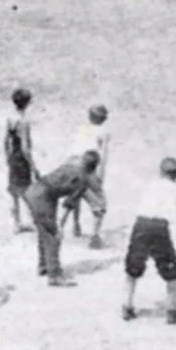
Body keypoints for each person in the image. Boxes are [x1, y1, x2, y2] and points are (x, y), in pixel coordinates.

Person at [121, 158, 176, 325]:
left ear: (160, 172)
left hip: (141, 224)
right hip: (160, 227)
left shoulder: (150, 186)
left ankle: (127, 306)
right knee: (171, 271)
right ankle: (172, 311)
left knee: (133, 267)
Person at [24, 149, 97, 285]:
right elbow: (68, 206)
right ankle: (54, 275)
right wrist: (59, 227)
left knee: (43, 231)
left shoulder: (70, 166)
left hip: (33, 191)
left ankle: (43, 265)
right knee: (52, 235)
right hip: (43, 198)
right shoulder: (83, 180)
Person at [62, 105, 112, 247]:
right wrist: (100, 178)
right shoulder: (104, 132)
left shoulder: (81, 128)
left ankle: (75, 226)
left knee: (74, 195)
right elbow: (103, 155)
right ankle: (95, 236)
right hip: (89, 165)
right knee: (99, 203)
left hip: (72, 164)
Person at [4, 88, 38, 233]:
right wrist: (33, 165)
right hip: (22, 159)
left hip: (13, 156)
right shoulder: (23, 122)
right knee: (26, 191)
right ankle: (32, 221)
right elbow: (25, 147)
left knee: (13, 192)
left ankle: (15, 223)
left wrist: (7, 155)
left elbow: (6, 140)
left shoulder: (10, 119)